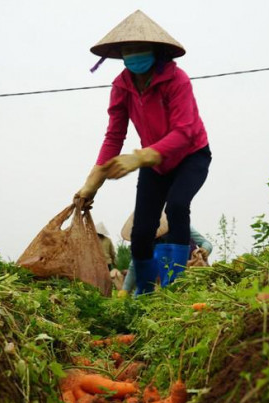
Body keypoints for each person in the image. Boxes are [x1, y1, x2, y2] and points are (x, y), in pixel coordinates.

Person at [76, 10, 212, 296]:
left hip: (191, 156)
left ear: (155, 51)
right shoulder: (121, 87)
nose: (133, 55)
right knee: (140, 234)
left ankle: (175, 289)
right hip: (156, 165)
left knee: (176, 206)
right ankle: (145, 295)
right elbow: (114, 136)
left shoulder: (177, 80)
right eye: (128, 50)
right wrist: (92, 183)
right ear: (120, 55)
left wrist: (140, 157)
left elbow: (184, 131)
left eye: (140, 49)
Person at [119, 213, 213, 296]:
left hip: (193, 271)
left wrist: (203, 250)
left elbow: (206, 243)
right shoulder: (146, 241)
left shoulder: (181, 226)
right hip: (169, 278)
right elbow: (134, 265)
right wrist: (125, 290)